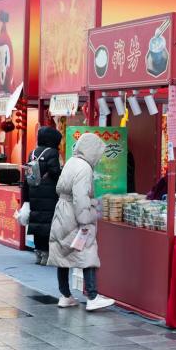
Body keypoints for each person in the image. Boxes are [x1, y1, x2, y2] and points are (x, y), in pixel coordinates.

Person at [47, 133, 114, 311]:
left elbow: (59, 187)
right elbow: (80, 197)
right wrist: (86, 219)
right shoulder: (85, 168)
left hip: (62, 212)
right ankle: (92, 297)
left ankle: (65, 295)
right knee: (87, 253)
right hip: (76, 214)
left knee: (63, 254)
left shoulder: (71, 162)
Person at [23, 127, 62, 266]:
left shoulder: (32, 153)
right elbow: (55, 172)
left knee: (37, 222)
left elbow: (27, 174)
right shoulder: (52, 152)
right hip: (49, 193)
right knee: (47, 224)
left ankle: (38, 253)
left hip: (34, 192)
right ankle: (46, 254)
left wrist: (26, 197)